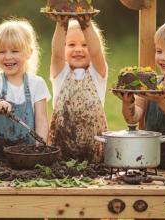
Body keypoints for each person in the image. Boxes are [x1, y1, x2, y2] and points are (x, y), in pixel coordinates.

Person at [113, 17, 165, 175]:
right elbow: (132, 119)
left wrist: (162, 102)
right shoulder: (151, 84)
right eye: (158, 51)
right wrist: (127, 102)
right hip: (153, 164)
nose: (162, 57)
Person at [0, 17, 51, 162]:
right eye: (1, 51)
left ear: (29, 52)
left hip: (27, 156)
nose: (8, 57)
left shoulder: (37, 84)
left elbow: (42, 121)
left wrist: (40, 150)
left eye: (15, 51)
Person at [45, 13, 108, 164]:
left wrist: (86, 22)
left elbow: (96, 52)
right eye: (71, 44)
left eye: (84, 45)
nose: (78, 49)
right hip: (61, 148)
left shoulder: (98, 73)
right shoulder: (60, 73)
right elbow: (57, 54)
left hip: (94, 149)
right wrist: (61, 23)